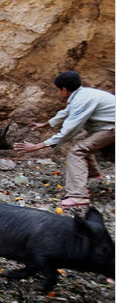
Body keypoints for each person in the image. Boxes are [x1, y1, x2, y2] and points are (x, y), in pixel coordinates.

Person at [14, 71, 115, 208]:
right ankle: (93, 173)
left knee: (77, 151)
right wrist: (46, 123)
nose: (57, 93)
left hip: (111, 127)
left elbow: (67, 132)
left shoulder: (82, 100)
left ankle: (78, 196)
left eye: (57, 90)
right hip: (105, 125)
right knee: (81, 140)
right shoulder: (82, 94)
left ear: (64, 90)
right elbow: (66, 112)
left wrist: (37, 146)